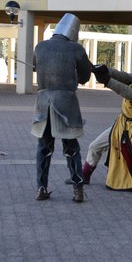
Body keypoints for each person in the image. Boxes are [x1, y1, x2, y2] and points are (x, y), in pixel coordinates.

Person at [70, 61, 132, 196]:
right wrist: (104, 70)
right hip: (121, 124)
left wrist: (107, 81)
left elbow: (128, 92)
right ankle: (84, 176)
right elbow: (123, 76)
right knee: (95, 146)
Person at [32, 13, 92, 202]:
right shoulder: (76, 49)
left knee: (43, 148)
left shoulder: (40, 46)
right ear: (73, 31)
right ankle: (78, 190)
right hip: (67, 104)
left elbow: (36, 67)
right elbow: (84, 77)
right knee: (72, 148)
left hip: (44, 104)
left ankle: (41, 188)